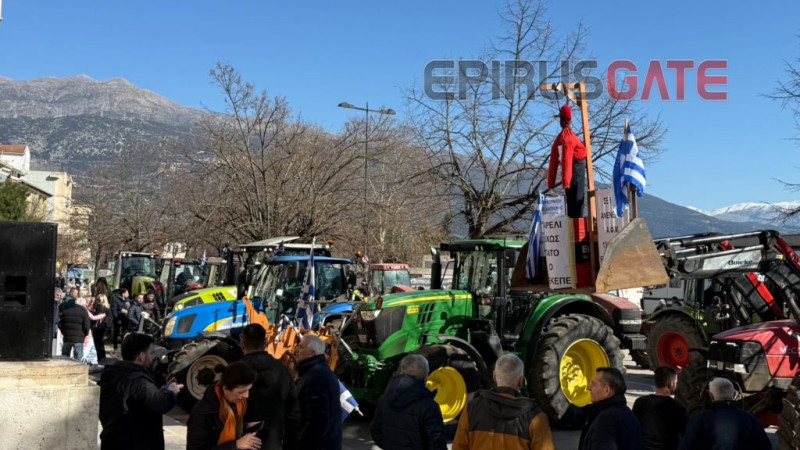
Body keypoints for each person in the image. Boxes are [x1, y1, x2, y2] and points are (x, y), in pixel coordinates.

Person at [98, 333, 183, 450]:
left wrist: (162, 388)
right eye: (152, 353)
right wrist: (171, 392)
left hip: (113, 440)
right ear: (142, 356)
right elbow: (160, 403)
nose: (154, 357)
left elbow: (141, 399)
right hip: (134, 443)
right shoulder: (137, 380)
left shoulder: (113, 374)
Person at [452, 353, 554, 450]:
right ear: (521, 381)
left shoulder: (472, 409)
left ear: (494, 377)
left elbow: (459, 447)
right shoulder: (536, 417)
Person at [239, 324, 300, 450]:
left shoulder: (235, 371)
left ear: (243, 344)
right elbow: (293, 414)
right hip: (274, 443)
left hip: (241, 442)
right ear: (266, 343)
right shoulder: (283, 371)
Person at [369, 354, 446, 450]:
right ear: (426, 377)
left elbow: (375, 430)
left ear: (401, 371)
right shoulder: (429, 406)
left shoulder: (384, 399)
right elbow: (436, 443)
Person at [679, 377, 770, 450]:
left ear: (711, 396)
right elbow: (765, 446)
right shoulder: (750, 419)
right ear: (734, 395)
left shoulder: (699, 420)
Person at [187, 362, 262, 450]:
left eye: (248, 390)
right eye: (241, 392)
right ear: (225, 389)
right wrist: (236, 445)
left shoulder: (237, 404)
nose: (246, 396)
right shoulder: (202, 413)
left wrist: (246, 427)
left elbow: (229, 427)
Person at [296, 334, 342, 450]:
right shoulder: (320, 372)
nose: (296, 349)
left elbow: (316, 421)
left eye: (301, 347)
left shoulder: (315, 377)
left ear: (311, 353)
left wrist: (299, 444)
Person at [578, 367, 642, 450]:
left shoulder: (607, 419)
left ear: (606, 390)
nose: (589, 388)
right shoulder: (626, 413)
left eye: (593, 384)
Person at [633, 366, 689, 450]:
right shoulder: (677, 407)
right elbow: (686, 434)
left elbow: (633, 428)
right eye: (676, 381)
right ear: (671, 383)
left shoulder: (641, 402)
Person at [547, 103, 588, 218]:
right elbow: (565, 159)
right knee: (576, 202)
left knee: (573, 202)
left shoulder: (563, 136)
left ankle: (575, 227)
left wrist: (552, 182)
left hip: (574, 171)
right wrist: (566, 182)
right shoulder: (567, 136)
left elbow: (559, 159)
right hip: (575, 172)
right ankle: (576, 230)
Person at [59, 293, 91, 361]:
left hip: (67, 338)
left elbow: (60, 324)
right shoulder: (83, 311)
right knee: (78, 359)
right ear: (83, 304)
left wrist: (64, 332)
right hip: (79, 338)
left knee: (64, 358)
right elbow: (86, 326)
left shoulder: (66, 310)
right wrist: (85, 334)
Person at [91, 294, 114, 362]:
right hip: (103, 327)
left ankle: (100, 358)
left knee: (98, 343)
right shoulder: (107, 308)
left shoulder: (100, 307)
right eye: (97, 299)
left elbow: (95, 317)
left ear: (103, 300)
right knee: (100, 343)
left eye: (99, 299)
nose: (97, 301)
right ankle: (102, 358)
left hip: (99, 328)